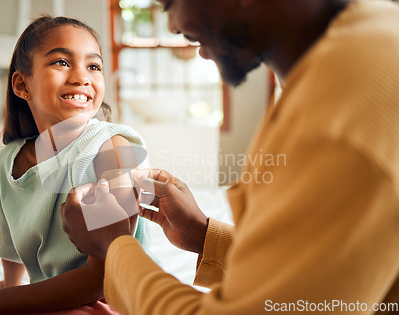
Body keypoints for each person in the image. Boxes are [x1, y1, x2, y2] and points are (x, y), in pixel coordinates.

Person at [61, 0, 399, 314]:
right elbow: (323, 271)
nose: (174, 26)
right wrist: (206, 236)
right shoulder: (370, 41)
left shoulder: (338, 113)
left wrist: (114, 246)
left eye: (171, 3)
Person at [0, 16, 149, 314]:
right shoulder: (3, 165)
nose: (82, 77)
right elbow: (9, 247)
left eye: (93, 66)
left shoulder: (114, 149)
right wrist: (11, 291)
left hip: (115, 295)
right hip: (55, 295)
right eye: (61, 62)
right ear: (21, 84)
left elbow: (106, 273)